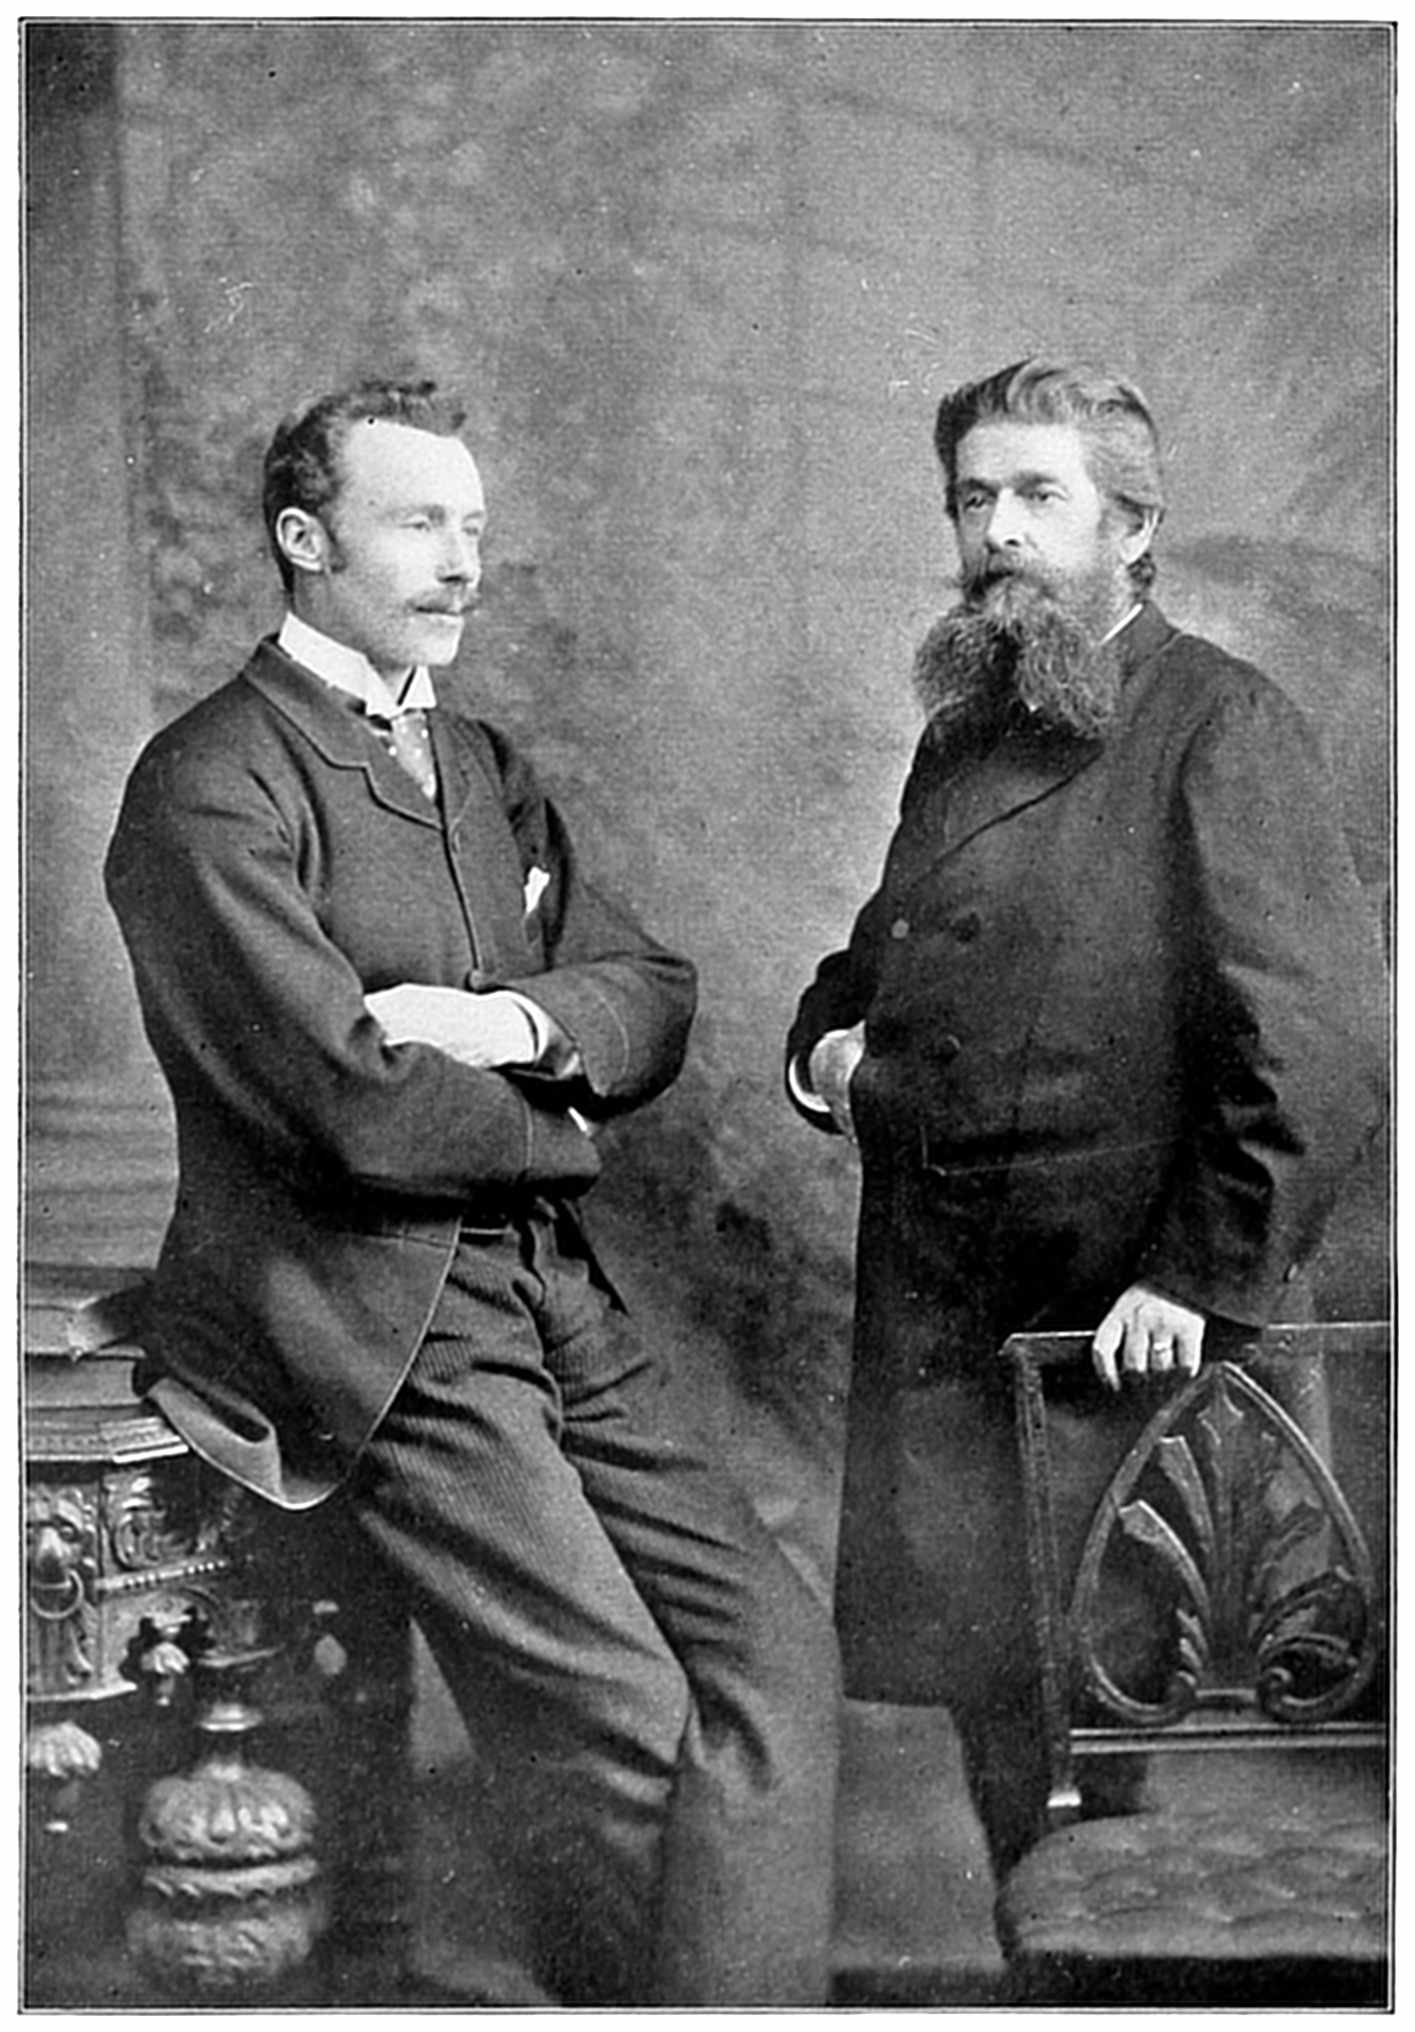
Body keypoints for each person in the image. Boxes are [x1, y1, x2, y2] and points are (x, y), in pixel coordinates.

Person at [106, 377, 838, 2006]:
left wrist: (509, 1024)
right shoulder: (209, 783)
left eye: (475, 527)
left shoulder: (481, 761)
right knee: (630, 1720)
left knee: (783, 1657)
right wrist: (566, 1123)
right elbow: (351, 1111)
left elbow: (650, 991)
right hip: (364, 1312)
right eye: (417, 523)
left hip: (544, 1284)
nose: (462, 562)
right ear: (304, 540)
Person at [785, 356, 1386, 1882]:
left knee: (1110, 1722)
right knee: (1005, 1723)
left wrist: (1195, 1275)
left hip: (1114, 1330)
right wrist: (823, 1050)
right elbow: (882, 960)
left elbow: (1320, 1045)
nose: (997, 530)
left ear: (1134, 524)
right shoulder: (963, 736)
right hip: (954, 1316)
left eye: (1038, 495)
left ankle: (1103, 1973)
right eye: (972, 498)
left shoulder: (1220, 722)